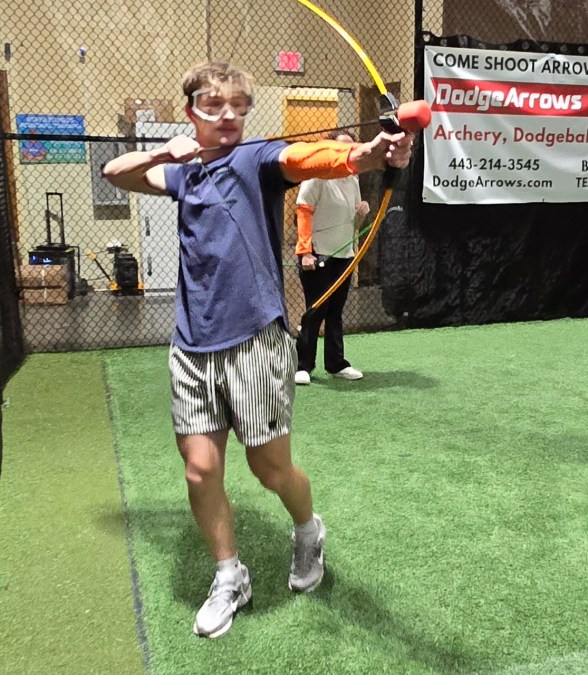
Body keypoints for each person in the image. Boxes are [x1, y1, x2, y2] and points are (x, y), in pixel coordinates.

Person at [102, 61, 413, 638]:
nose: (228, 116)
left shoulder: (257, 159)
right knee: (200, 470)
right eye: (214, 105)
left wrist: (372, 154)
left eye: (238, 107)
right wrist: (163, 153)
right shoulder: (182, 173)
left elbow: (312, 157)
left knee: (269, 468)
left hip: (254, 342)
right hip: (192, 345)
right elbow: (114, 171)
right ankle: (230, 576)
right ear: (192, 110)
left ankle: (308, 530)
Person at [294, 131, 371, 385]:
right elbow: (303, 211)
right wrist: (305, 252)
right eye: (341, 148)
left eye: (350, 148)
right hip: (318, 255)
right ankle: (303, 366)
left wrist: (362, 213)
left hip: (344, 256)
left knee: (335, 313)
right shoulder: (317, 175)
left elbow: (354, 224)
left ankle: (336, 364)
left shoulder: (352, 179)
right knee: (315, 311)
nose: (346, 152)